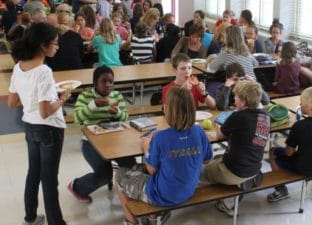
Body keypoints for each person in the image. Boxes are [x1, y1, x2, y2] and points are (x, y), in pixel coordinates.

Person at [116, 86, 213, 225]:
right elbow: (207, 160)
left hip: (162, 195)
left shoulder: (161, 137)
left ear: (168, 109)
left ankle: (131, 221)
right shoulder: (199, 131)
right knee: (140, 168)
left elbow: (151, 169)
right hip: (188, 190)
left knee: (119, 174)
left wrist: (146, 147)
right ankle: (151, 215)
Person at [8, 22, 70, 225]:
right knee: (50, 179)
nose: (57, 47)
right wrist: (62, 99)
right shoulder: (43, 70)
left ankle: (31, 217)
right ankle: (56, 222)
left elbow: (12, 102)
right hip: (49, 129)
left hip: (30, 127)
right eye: (55, 43)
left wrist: (32, 97)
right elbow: (45, 112)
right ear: (43, 46)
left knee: (33, 172)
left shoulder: (19, 67)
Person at [68, 65, 136, 203]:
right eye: (103, 82)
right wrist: (93, 105)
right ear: (95, 83)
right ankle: (76, 187)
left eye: (111, 82)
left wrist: (116, 113)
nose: (108, 85)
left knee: (131, 165)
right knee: (105, 175)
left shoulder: (116, 96)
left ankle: (131, 192)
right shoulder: (85, 96)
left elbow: (124, 117)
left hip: (114, 140)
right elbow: (77, 119)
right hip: (91, 142)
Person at [202, 80, 269, 216]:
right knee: (218, 159)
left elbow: (220, 135)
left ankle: (227, 202)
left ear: (244, 101)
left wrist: (218, 127)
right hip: (255, 167)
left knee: (201, 171)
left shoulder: (238, 116)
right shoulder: (266, 116)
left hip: (235, 171)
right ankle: (243, 182)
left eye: (236, 97)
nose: (234, 99)